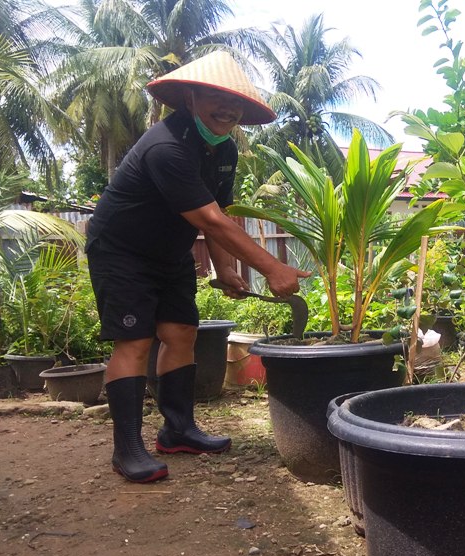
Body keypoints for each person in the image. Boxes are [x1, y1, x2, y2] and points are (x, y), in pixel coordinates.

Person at [86, 51, 309, 483]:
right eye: (215, 97)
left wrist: (226, 269)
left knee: (181, 333)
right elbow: (208, 220)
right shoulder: (166, 146)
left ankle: (178, 429)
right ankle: (127, 448)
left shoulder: (223, 150)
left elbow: (219, 210)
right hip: (122, 251)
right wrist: (271, 267)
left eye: (236, 103)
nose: (227, 110)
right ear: (190, 97)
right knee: (133, 341)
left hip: (170, 252)